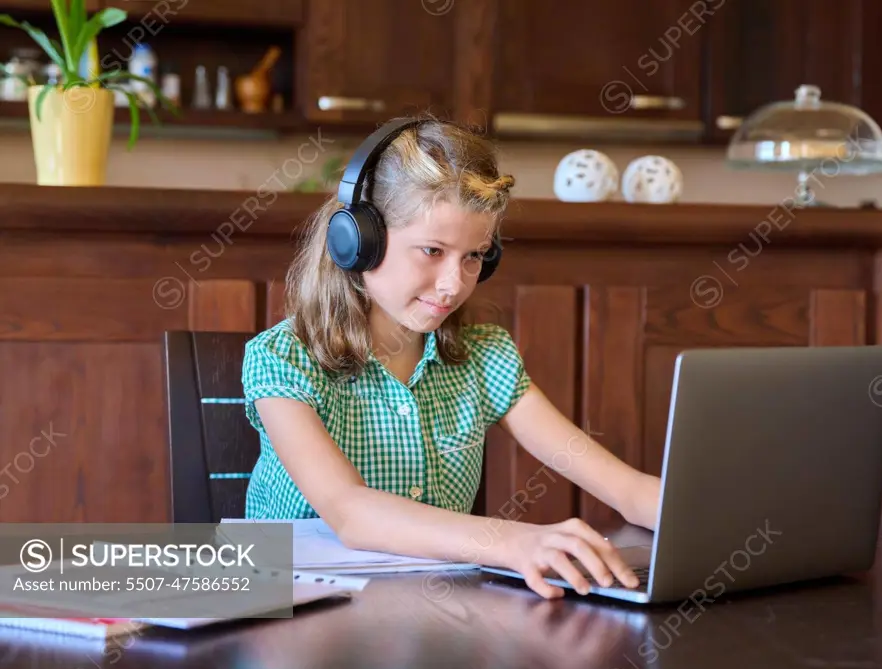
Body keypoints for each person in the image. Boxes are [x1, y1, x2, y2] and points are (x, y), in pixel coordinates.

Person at [241, 114, 662, 600]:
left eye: (474, 256)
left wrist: (719, 519)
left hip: (432, 609)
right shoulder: (282, 358)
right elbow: (350, 512)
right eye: (432, 250)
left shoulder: (486, 359)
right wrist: (512, 539)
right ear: (356, 241)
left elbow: (626, 490)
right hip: (298, 615)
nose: (453, 283)